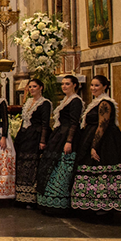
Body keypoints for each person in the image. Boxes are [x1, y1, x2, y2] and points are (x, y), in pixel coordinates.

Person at [71, 75, 121, 213]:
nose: (93, 88)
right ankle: (93, 204)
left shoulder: (105, 103)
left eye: (97, 85)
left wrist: (94, 146)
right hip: (91, 137)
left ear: (105, 87)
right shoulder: (96, 102)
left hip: (105, 141)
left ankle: (105, 206)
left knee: (102, 169)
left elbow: (102, 126)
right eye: (92, 85)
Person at [37, 75, 84, 211]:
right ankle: (49, 201)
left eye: (67, 84)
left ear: (74, 85)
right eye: (63, 84)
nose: (64, 86)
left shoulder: (76, 101)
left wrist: (69, 141)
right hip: (59, 134)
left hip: (67, 136)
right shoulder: (66, 100)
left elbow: (74, 123)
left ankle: (60, 204)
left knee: (63, 168)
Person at [15, 79, 52, 205]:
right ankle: (21, 196)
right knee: (22, 162)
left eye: (34, 86)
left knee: (33, 163)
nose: (32, 89)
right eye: (30, 87)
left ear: (41, 87)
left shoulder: (45, 103)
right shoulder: (28, 101)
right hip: (25, 134)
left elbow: (45, 123)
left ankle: (32, 197)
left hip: (36, 135)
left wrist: (42, 140)